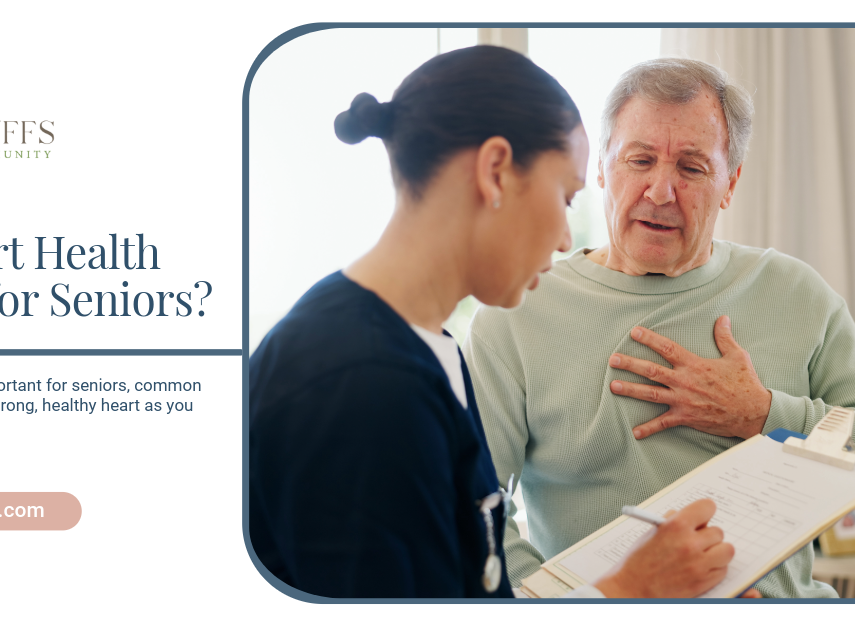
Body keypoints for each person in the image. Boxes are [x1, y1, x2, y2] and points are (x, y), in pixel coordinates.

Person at [249, 46, 750, 599]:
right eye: (564, 195)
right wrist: (630, 590)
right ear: (494, 172)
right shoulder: (358, 383)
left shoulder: (427, 352)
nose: (566, 237)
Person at [464, 57, 855, 598]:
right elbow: (476, 508)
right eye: (639, 160)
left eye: (692, 167)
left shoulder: (794, 291)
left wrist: (764, 415)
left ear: (730, 183)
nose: (662, 191)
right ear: (600, 169)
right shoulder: (518, 311)